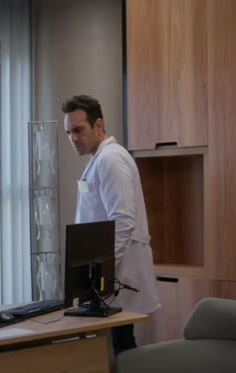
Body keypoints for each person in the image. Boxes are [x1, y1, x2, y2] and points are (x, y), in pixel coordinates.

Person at [62, 94, 161, 355]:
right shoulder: (100, 159)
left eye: (78, 130)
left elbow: (123, 220)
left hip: (118, 275)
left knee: (120, 347)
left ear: (98, 125)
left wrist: (101, 272)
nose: (73, 138)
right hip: (109, 277)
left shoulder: (111, 159)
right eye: (68, 132)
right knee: (117, 345)